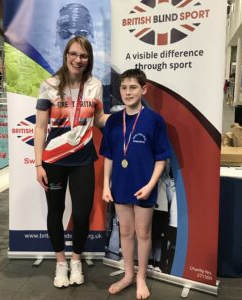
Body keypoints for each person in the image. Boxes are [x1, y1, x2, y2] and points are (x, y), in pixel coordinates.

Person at [34, 35, 108, 288]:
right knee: (55, 212)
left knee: (81, 212)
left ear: (89, 60)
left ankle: (76, 259)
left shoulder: (95, 86)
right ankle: (60, 262)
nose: (78, 59)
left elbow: (97, 119)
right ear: (66, 55)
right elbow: (41, 126)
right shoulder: (49, 85)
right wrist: (38, 164)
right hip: (53, 159)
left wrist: (126, 119)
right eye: (74, 54)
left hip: (83, 158)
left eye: (83, 56)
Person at [100, 69, 170, 299]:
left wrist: (150, 186)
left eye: (133, 87)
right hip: (120, 185)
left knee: (143, 233)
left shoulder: (154, 120)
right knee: (126, 231)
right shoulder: (113, 121)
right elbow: (108, 155)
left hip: (143, 186)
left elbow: (161, 158)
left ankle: (141, 277)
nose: (128, 92)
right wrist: (106, 186)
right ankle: (128, 274)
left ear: (143, 89)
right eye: (124, 88)